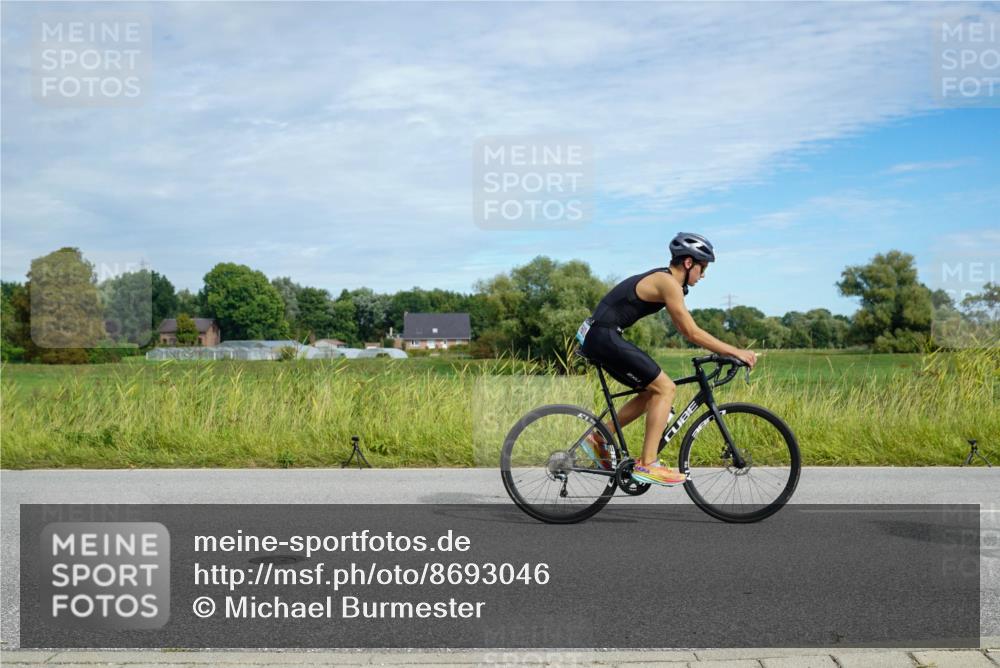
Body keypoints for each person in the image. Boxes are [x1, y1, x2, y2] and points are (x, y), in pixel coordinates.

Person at [575, 232, 757, 485]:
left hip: (599, 335)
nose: (703, 275)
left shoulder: (667, 280)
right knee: (665, 388)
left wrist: (725, 350)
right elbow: (689, 331)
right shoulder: (667, 282)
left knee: (651, 392)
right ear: (689, 263)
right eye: (703, 268)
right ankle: (647, 464)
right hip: (602, 336)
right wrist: (734, 351)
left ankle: (598, 437)